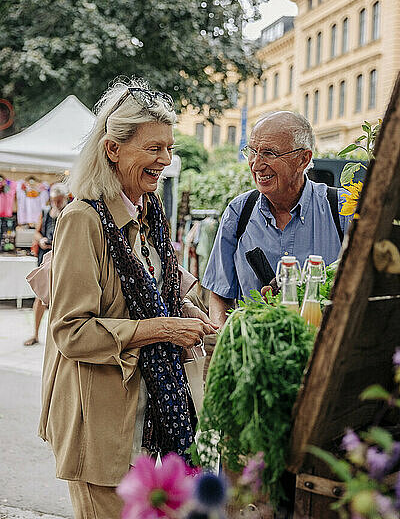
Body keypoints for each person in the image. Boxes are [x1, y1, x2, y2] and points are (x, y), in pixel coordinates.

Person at [38, 77, 218, 519]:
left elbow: (163, 285)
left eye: (168, 147)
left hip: (144, 417)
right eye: (153, 148)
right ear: (112, 149)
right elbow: (71, 332)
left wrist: (196, 313)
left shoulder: (149, 212)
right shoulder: (83, 219)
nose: (165, 159)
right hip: (98, 425)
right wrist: (166, 329)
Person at [202, 111, 353, 326]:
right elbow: (220, 294)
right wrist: (226, 342)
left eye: (269, 153)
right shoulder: (239, 212)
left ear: (303, 159)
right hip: (255, 352)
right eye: (252, 151)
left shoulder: (342, 209)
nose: (256, 164)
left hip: (324, 351)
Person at [24, 183, 68, 346]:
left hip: (62, 257)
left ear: (64, 198)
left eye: (59, 200)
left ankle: (57, 339)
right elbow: (37, 231)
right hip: (46, 257)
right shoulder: (45, 212)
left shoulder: (70, 211)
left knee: (60, 299)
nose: (56, 203)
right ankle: (35, 334)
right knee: (40, 296)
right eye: (53, 200)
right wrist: (40, 239)